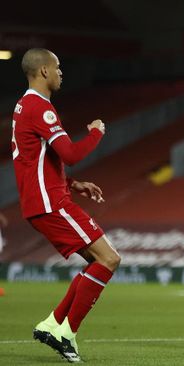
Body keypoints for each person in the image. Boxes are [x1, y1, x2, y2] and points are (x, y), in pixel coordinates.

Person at [11, 48, 121, 362]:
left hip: (44, 199)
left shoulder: (24, 106)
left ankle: (54, 324)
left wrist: (74, 184)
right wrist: (97, 133)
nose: (61, 73)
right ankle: (66, 331)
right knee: (110, 259)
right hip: (50, 202)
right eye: (58, 67)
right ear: (44, 71)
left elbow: (36, 161)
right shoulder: (40, 108)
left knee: (97, 262)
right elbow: (70, 153)